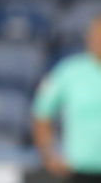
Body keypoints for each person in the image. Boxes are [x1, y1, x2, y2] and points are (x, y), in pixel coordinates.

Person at [32, 16, 101, 183]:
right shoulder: (68, 71)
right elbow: (41, 111)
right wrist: (47, 155)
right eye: (96, 35)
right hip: (78, 171)